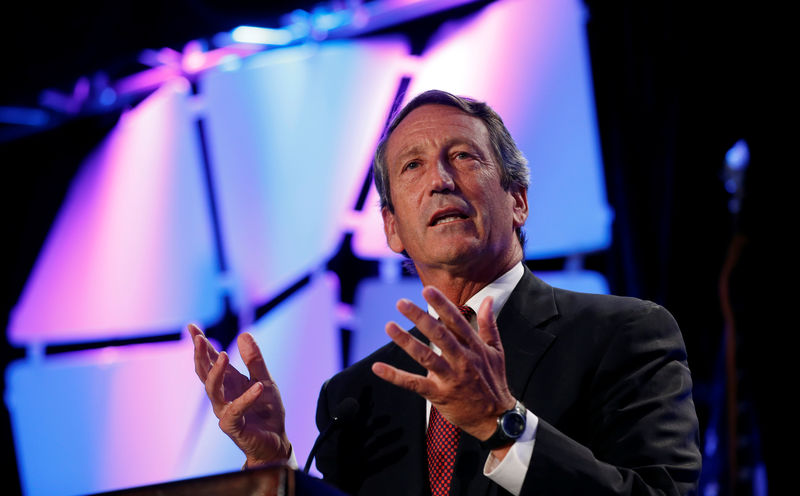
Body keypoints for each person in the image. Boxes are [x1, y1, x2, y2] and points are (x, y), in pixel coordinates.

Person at [190, 90, 701, 495]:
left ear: (518, 200)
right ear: (392, 230)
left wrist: (501, 423)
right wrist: (271, 467)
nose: (439, 179)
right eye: (412, 165)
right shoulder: (354, 397)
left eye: (462, 156)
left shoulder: (624, 333)